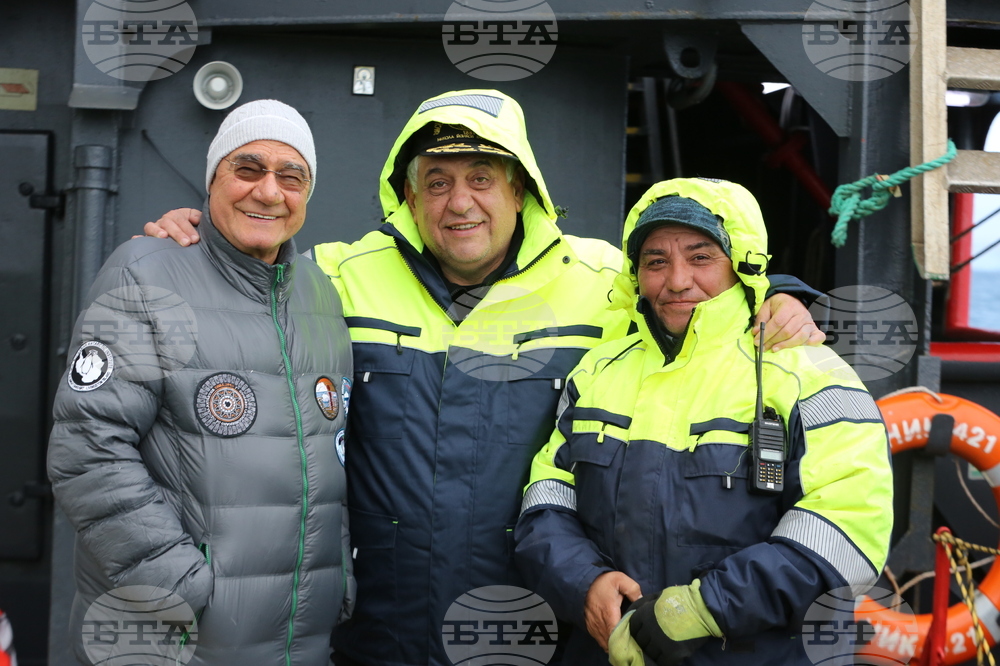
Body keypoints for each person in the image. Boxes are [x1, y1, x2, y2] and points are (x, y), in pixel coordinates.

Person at [145, 90, 825, 666]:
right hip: (379, 633)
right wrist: (194, 245)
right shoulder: (339, 279)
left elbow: (693, 289)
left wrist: (785, 294)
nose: (458, 202)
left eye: (481, 178)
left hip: (542, 634)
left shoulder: (597, 285)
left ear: (520, 189)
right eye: (436, 181)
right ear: (408, 197)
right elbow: (247, 283)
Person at [514, 177, 893, 665]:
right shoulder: (596, 371)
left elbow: (849, 529)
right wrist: (585, 582)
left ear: (741, 263)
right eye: (656, 261)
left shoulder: (810, 374)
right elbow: (546, 499)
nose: (676, 280)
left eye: (701, 257)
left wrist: (701, 609)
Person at [48, 100, 354, 666]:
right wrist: (176, 585)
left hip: (298, 641)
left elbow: (328, 454)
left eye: (292, 177)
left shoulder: (320, 294)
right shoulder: (143, 274)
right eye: (248, 169)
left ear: (307, 195)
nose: (268, 192)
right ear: (212, 178)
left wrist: (340, 577)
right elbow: (86, 448)